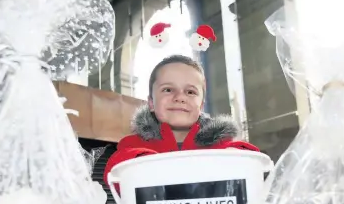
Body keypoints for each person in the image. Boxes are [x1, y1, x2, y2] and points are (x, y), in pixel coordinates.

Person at [104, 54, 259, 184]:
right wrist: (144, 163)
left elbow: (251, 159)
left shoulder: (219, 145)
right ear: (151, 103)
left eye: (190, 92)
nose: (179, 97)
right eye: (168, 90)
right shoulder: (133, 144)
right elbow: (115, 169)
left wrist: (236, 156)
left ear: (201, 105)